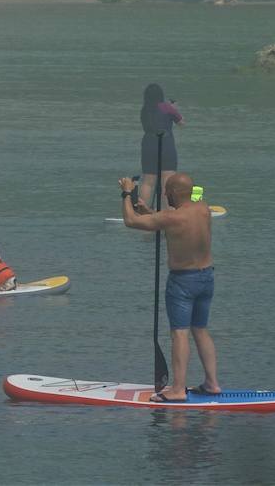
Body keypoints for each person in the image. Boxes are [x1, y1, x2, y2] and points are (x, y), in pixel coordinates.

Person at [119, 172, 220, 402]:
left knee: (179, 334)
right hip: (206, 278)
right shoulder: (203, 209)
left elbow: (130, 221)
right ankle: (212, 383)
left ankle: (177, 390)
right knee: (200, 329)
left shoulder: (171, 218)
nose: (164, 194)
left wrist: (126, 192)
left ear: (174, 193)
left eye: (166, 192)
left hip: (183, 282)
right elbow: (174, 222)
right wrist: (151, 213)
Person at [137, 83, 184, 212]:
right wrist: (174, 108)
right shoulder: (167, 107)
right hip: (165, 143)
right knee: (167, 180)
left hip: (148, 143)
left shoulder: (144, 109)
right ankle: (166, 212)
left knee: (148, 181)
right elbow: (181, 123)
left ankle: (142, 212)